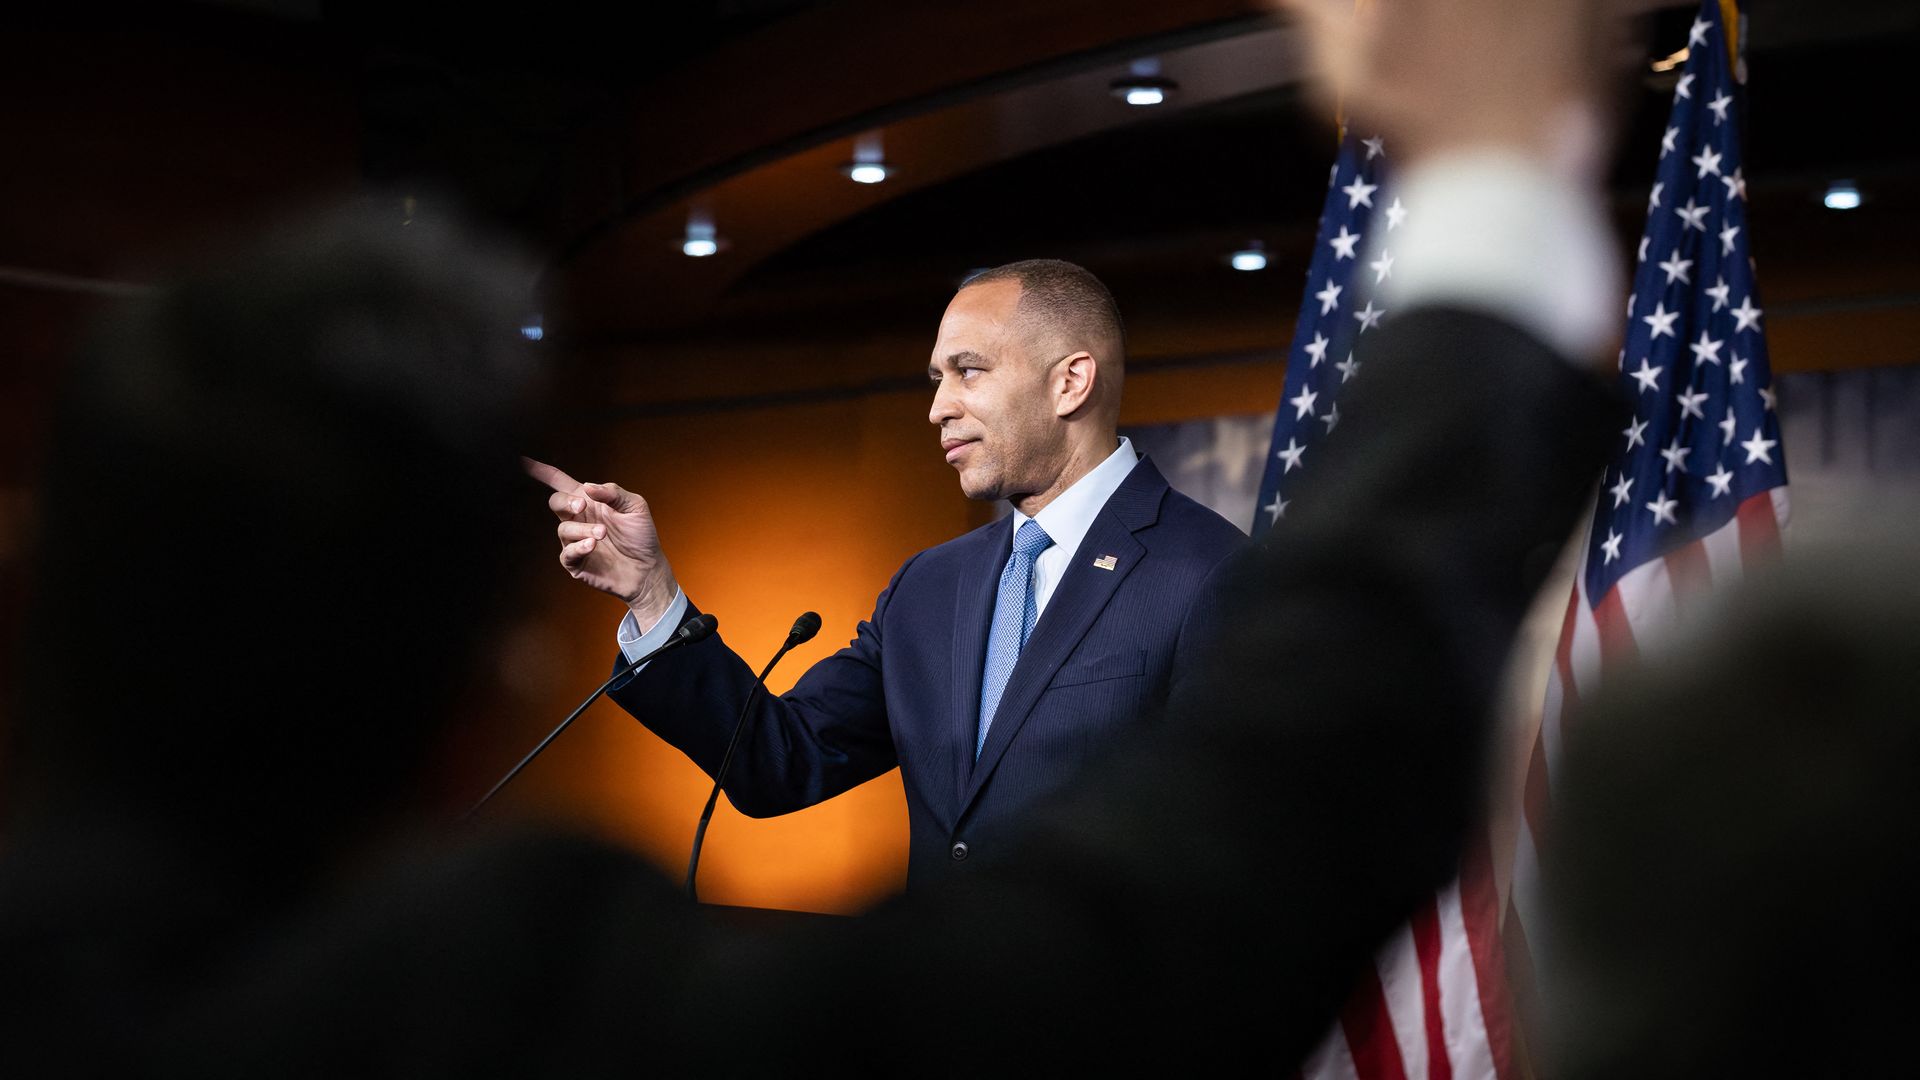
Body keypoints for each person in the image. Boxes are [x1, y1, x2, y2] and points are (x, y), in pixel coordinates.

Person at [527, 258, 1248, 885]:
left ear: (1071, 383)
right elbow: (781, 760)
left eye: (969, 372)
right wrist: (652, 593)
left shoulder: (1210, 574)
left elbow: (1230, 853)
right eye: (936, 379)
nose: (938, 408)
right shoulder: (928, 589)